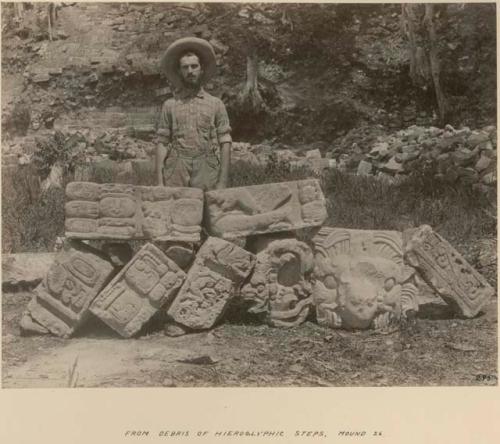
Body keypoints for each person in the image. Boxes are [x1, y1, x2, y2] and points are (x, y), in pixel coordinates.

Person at [157, 37, 232, 190]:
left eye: (194, 66)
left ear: (201, 69)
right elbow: (162, 143)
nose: (190, 71)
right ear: (179, 71)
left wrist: (222, 182)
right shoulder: (169, 105)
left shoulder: (216, 104)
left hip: (207, 168)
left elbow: (225, 142)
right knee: (176, 210)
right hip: (176, 169)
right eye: (185, 67)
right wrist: (159, 182)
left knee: (208, 211)